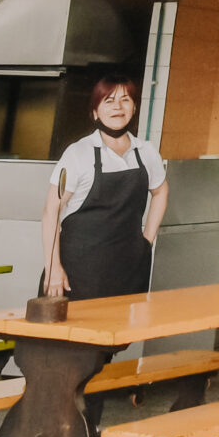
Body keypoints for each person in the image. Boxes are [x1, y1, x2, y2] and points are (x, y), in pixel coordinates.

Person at [41, 76, 169, 301]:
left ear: (134, 108)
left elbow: (161, 191)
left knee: (121, 323)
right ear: (95, 112)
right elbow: (51, 212)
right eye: (109, 101)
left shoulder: (146, 152)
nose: (118, 107)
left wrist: (147, 240)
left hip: (129, 269)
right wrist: (53, 267)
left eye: (125, 99)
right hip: (78, 270)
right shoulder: (78, 153)